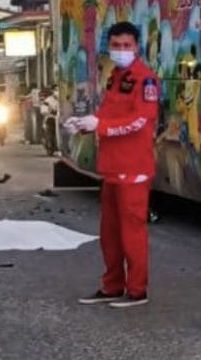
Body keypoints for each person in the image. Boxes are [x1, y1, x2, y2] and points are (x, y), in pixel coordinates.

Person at [67, 21, 159, 308]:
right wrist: (83, 125)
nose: (121, 51)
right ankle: (112, 286)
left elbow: (141, 120)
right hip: (111, 168)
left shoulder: (146, 80)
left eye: (126, 46)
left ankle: (136, 290)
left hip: (134, 168)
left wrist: (101, 126)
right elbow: (106, 115)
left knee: (132, 232)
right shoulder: (115, 77)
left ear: (137, 47)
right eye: (116, 46)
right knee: (109, 233)